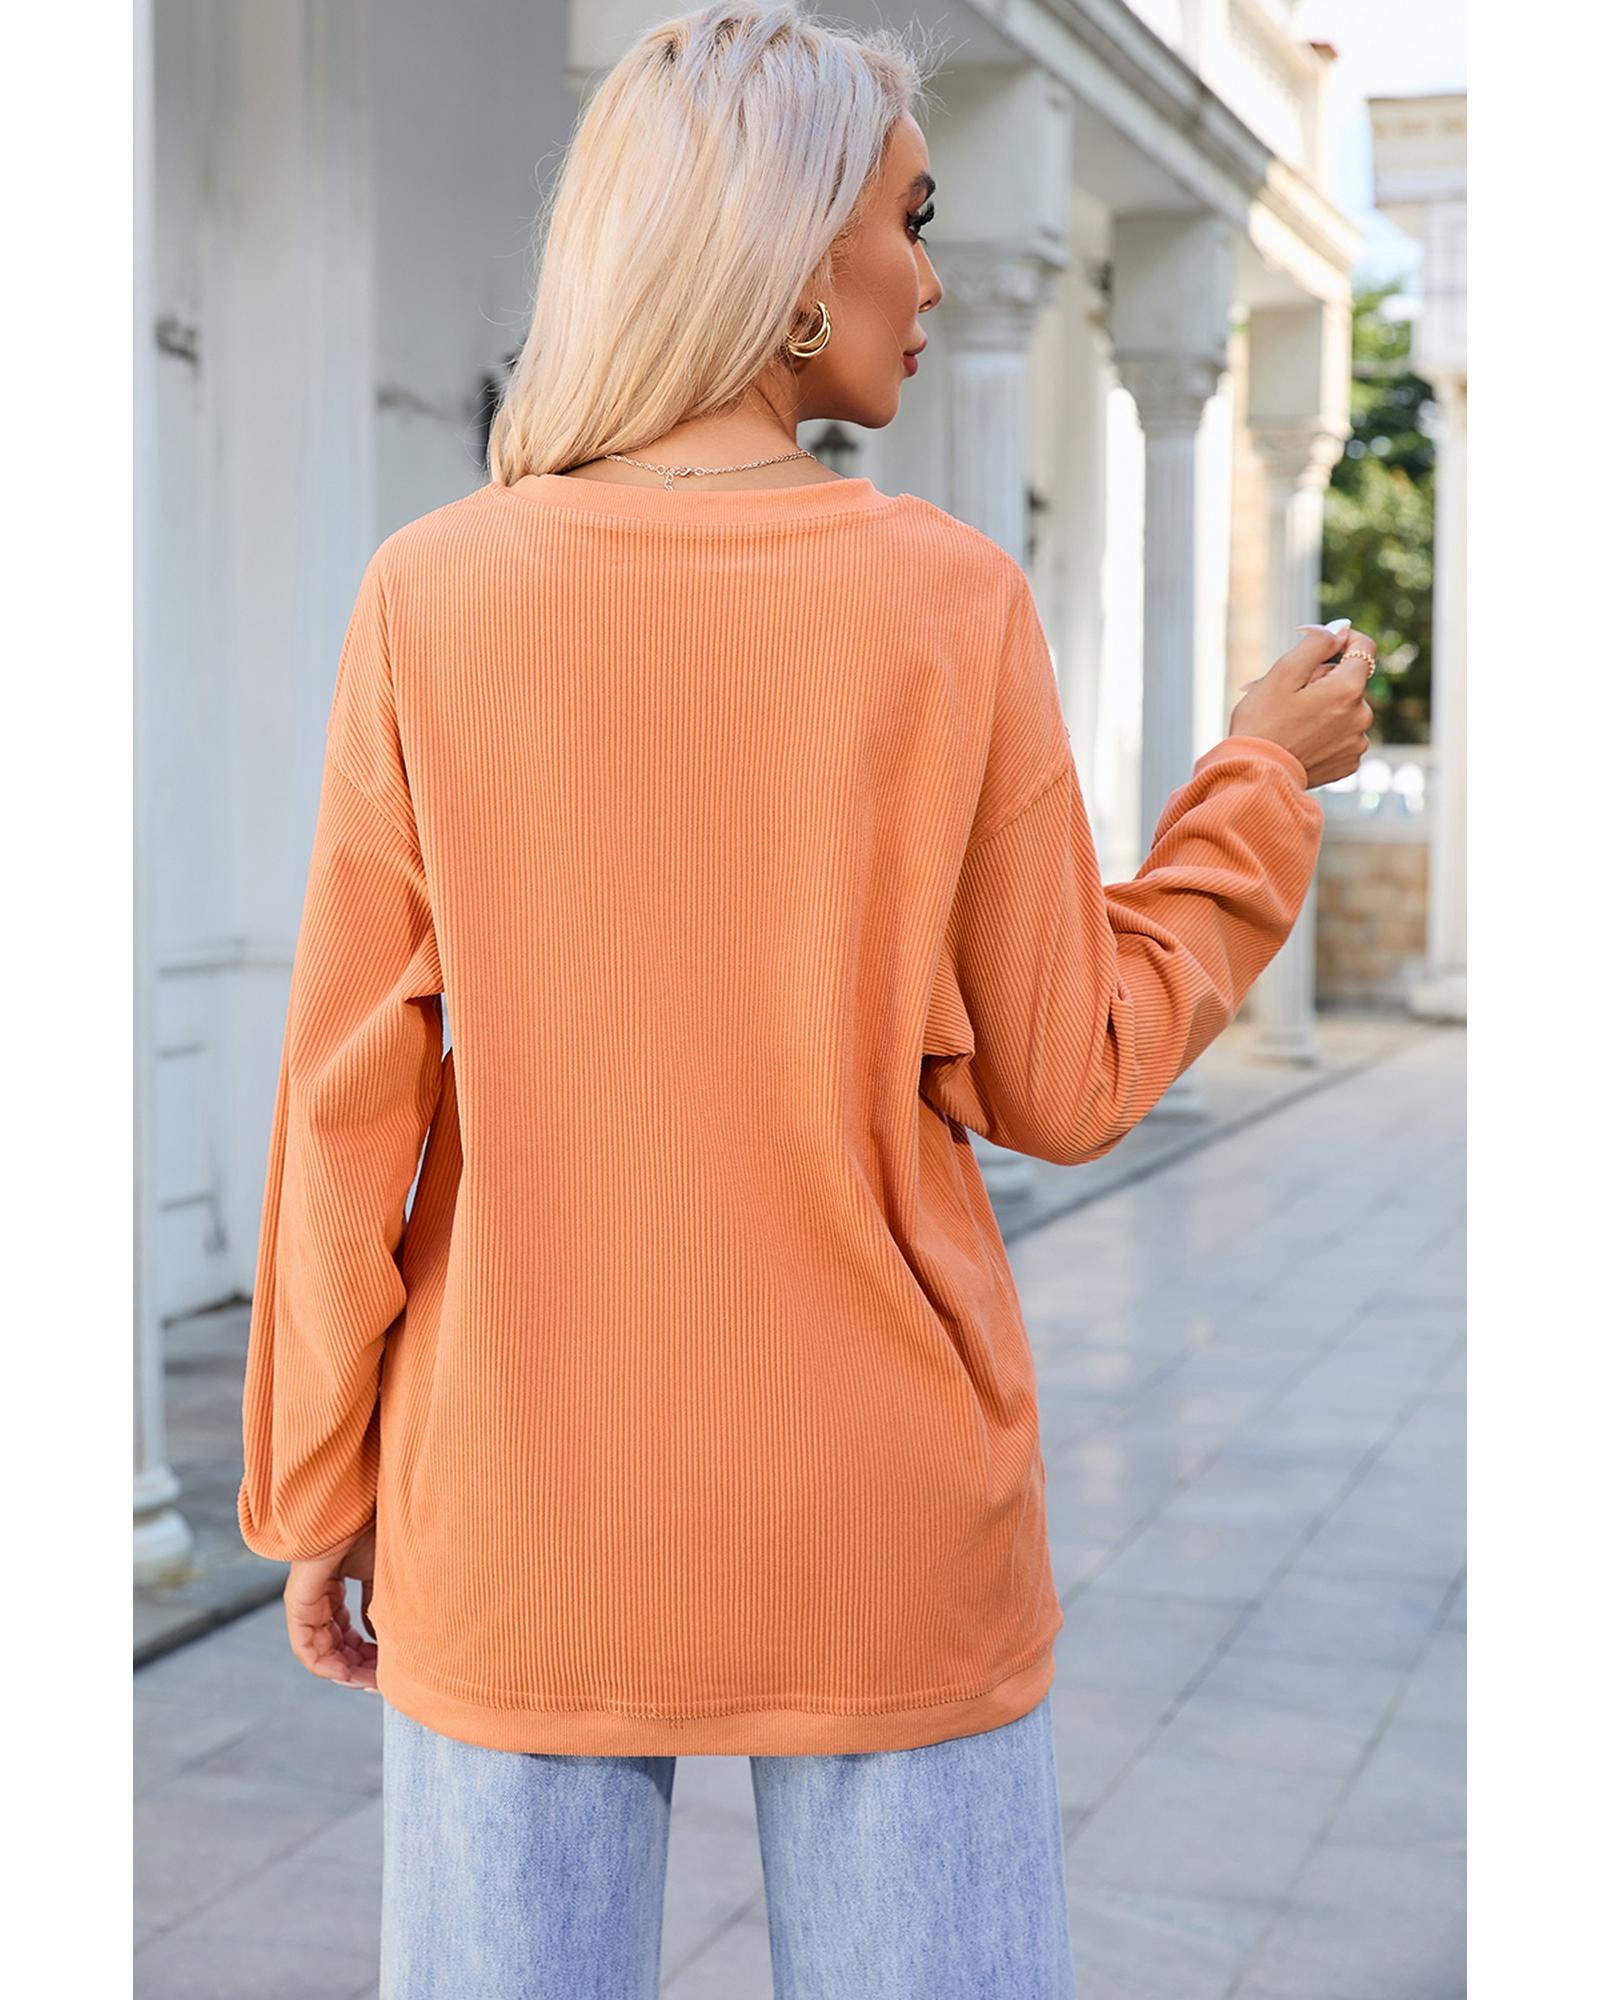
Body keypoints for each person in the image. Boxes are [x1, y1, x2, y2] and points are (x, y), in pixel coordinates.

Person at [234, 5, 1377, 1995]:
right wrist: (1257, 786)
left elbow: (348, 1104)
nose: (933, 274)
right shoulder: (944, 599)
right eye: (908, 219)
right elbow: (1066, 1070)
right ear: (781, 259)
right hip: (881, 1515)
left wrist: (317, 1485)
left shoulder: (434, 594)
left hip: (520, 1506)